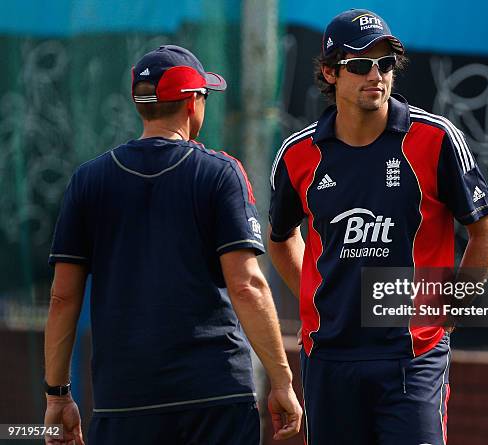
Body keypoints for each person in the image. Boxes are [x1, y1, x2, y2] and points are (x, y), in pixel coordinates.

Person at [44, 44, 301, 445]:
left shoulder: (88, 180)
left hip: (124, 401)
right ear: (192, 101)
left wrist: (57, 395)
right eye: (204, 95)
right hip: (214, 398)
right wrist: (282, 381)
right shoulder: (220, 173)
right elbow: (247, 285)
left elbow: (62, 298)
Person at [268, 9, 488, 445]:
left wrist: (453, 305)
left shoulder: (436, 138)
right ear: (329, 72)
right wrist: (320, 295)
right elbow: (280, 240)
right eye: (360, 64)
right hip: (330, 358)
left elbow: (487, 232)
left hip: (413, 357)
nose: (375, 75)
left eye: (385, 63)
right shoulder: (297, 155)